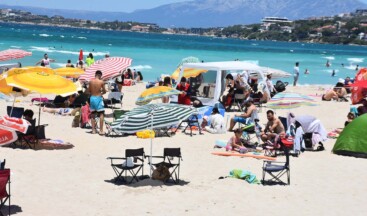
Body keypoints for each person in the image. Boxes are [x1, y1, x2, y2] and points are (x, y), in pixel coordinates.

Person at [87, 70, 107, 135]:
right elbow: (104, 91)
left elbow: (89, 91)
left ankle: (93, 130)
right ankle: (101, 130)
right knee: (101, 114)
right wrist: (100, 92)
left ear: (95, 74)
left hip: (92, 98)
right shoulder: (101, 82)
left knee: (93, 114)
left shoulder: (90, 82)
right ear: (99, 75)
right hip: (98, 98)